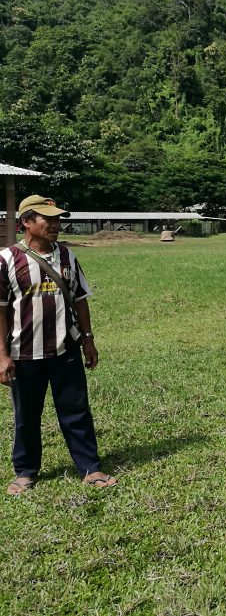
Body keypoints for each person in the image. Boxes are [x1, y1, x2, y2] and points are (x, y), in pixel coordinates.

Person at [0, 195, 117, 495]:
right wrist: (2, 355)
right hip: (24, 354)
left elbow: (80, 300)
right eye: (47, 219)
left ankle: (90, 468)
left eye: (57, 219)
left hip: (66, 350)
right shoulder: (7, 260)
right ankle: (25, 471)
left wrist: (89, 341)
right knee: (26, 416)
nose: (55, 224)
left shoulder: (67, 257)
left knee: (76, 410)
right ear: (26, 222)